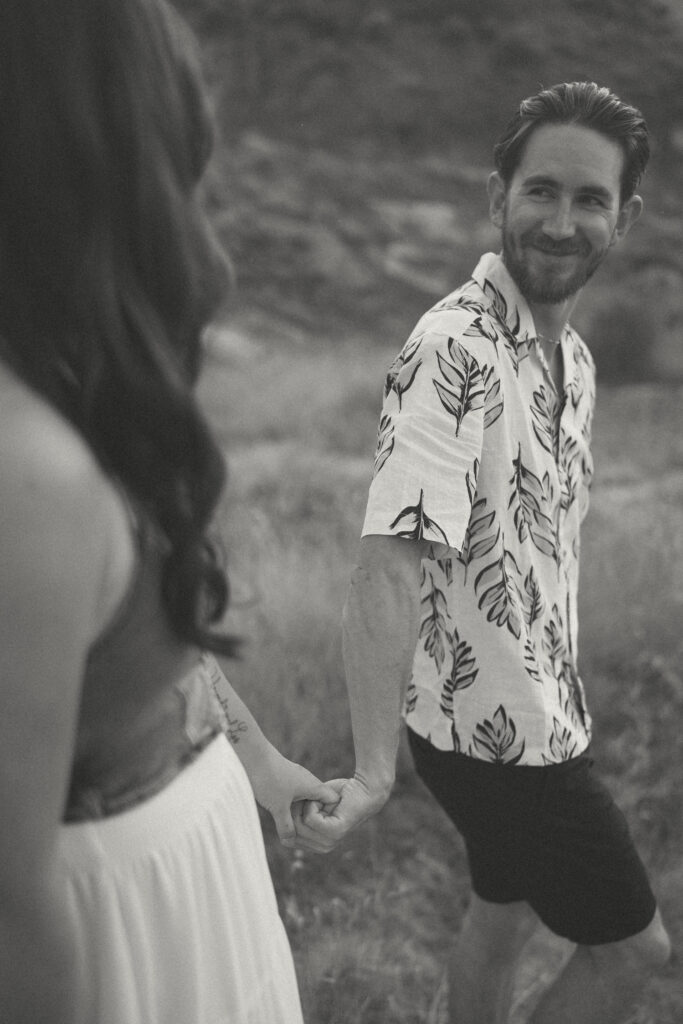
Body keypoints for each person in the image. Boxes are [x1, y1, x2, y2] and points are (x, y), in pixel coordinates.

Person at [295, 82, 673, 1023]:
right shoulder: (451, 349)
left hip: (529, 703)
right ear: (494, 197)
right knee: (632, 954)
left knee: (500, 918)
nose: (560, 221)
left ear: (622, 219)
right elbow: (386, 564)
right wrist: (376, 772)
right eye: (539, 191)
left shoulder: (572, 361)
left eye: (589, 200)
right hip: (502, 741)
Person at [0, 2, 337, 1022]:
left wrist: (257, 758)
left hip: (194, 873)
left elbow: (134, 651)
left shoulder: (68, 370)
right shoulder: (28, 475)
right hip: (120, 934)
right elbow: (10, 902)